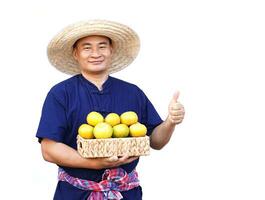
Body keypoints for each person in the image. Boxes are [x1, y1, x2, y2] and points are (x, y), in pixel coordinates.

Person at [36, 19, 185, 200]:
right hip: (74, 194)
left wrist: (171, 121)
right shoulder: (61, 93)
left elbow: (156, 141)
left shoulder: (133, 92)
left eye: (102, 46)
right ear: (76, 53)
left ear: (111, 50)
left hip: (126, 193)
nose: (96, 53)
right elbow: (49, 149)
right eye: (87, 47)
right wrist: (94, 164)